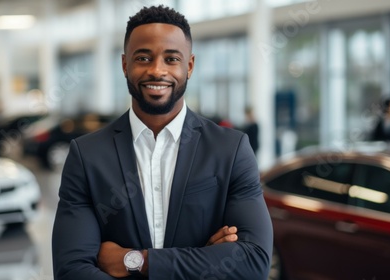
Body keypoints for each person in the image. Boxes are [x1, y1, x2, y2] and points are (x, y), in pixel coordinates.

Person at [52, 5, 273, 280]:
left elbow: (254, 262)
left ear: (189, 66)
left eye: (171, 59)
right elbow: (71, 270)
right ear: (125, 65)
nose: (157, 71)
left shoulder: (231, 149)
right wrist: (202, 258)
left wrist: (136, 261)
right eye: (143, 58)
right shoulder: (87, 156)